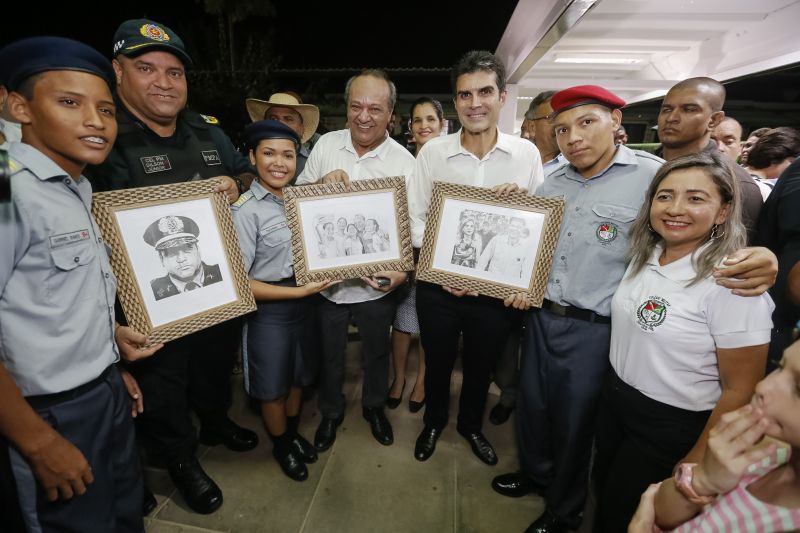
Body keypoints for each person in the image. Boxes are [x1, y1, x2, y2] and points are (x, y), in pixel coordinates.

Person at [492, 84, 777, 533]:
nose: (574, 138)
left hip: (597, 327)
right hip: (541, 313)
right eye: (563, 129)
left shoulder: (654, 177)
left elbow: (707, 236)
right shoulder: (552, 181)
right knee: (535, 409)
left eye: (587, 123)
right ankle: (535, 473)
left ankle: (563, 510)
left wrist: (766, 258)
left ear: (616, 123)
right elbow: (531, 246)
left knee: (575, 425)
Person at [84, 18, 259, 515]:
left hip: (212, 285)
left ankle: (215, 419)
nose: (164, 81)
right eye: (146, 68)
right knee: (164, 380)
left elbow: (243, 171)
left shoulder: (206, 130)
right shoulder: (103, 138)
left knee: (212, 364)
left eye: (174, 72)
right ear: (118, 74)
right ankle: (179, 458)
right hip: (147, 300)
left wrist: (235, 184)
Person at [0, 36, 161, 533]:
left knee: (122, 513)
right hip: (43, 413)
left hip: (104, 391)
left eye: (107, 110)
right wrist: (37, 442)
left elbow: (50, 298)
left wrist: (109, 348)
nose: (96, 121)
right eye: (69, 103)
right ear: (18, 107)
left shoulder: (77, 186)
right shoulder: (10, 193)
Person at [592, 152, 773, 533]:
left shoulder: (734, 283)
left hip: (671, 424)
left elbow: (740, 389)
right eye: (665, 196)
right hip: (617, 401)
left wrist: (696, 460)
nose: (676, 208)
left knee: (631, 511)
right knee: (605, 492)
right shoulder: (647, 255)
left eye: (695, 198)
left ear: (723, 211)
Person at [407, 50, 545, 466]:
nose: (475, 103)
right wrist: (440, 266)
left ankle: (470, 425)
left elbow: (540, 224)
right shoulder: (432, 154)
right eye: (465, 95)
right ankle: (433, 421)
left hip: (495, 291)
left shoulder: (526, 155)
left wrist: (524, 208)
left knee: (482, 365)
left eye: (485, 91)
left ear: (502, 96)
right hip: (438, 287)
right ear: (456, 102)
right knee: (437, 359)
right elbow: (416, 218)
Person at [295, 69, 415, 451]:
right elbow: (297, 205)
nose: (365, 116)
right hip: (328, 286)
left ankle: (374, 407)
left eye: (375, 109)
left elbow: (413, 228)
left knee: (377, 352)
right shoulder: (326, 145)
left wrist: (402, 269)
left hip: (376, 288)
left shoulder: (405, 162)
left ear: (391, 114)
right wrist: (318, 184)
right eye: (356, 106)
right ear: (346, 109)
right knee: (330, 354)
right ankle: (330, 413)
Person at [232, 119, 337, 482]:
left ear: (298, 160)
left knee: (298, 378)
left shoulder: (299, 200)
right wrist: (297, 292)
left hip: (304, 303)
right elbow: (240, 283)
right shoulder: (245, 210)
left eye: (288, 155)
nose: (279, 163)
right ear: (252, 157)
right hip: (269, 311)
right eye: (269, 153)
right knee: (272, 387)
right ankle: (280, 445)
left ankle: (291, 435)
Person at [628, 339, 800, 533]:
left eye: (799, 389)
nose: (762, 386)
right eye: (780, 366)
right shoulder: (764, 452)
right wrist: (703, 480)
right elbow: (659, 512)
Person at [387, 97, 445, 412]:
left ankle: (421, 380)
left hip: (436, 259)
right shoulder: (404, 162)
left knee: (428, 325)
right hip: (403, 255)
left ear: (441, 125)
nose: (424, 126)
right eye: (417, 120)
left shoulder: (449, 163)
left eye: (430, 120)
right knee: (401, 322)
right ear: (410, 127)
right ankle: (398, 379)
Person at [657, 77, 762, 243]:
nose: (671, 118)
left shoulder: (736, 183)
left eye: (689, 109)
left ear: (714, 120)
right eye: (666, 109)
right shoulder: (642, 166)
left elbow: (733, 253)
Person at [143, 215, 222, 300]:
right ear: (161, 259)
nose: (181, 259)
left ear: (198, 251)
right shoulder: (154, 291)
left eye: (187, 249)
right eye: (171, 253)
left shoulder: (222, 273)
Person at [245, 92, 320, 179]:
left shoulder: (317, 162)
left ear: (301, 129)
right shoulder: (250, 162)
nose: (280, 124)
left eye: (288, 119)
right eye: (273, 119)